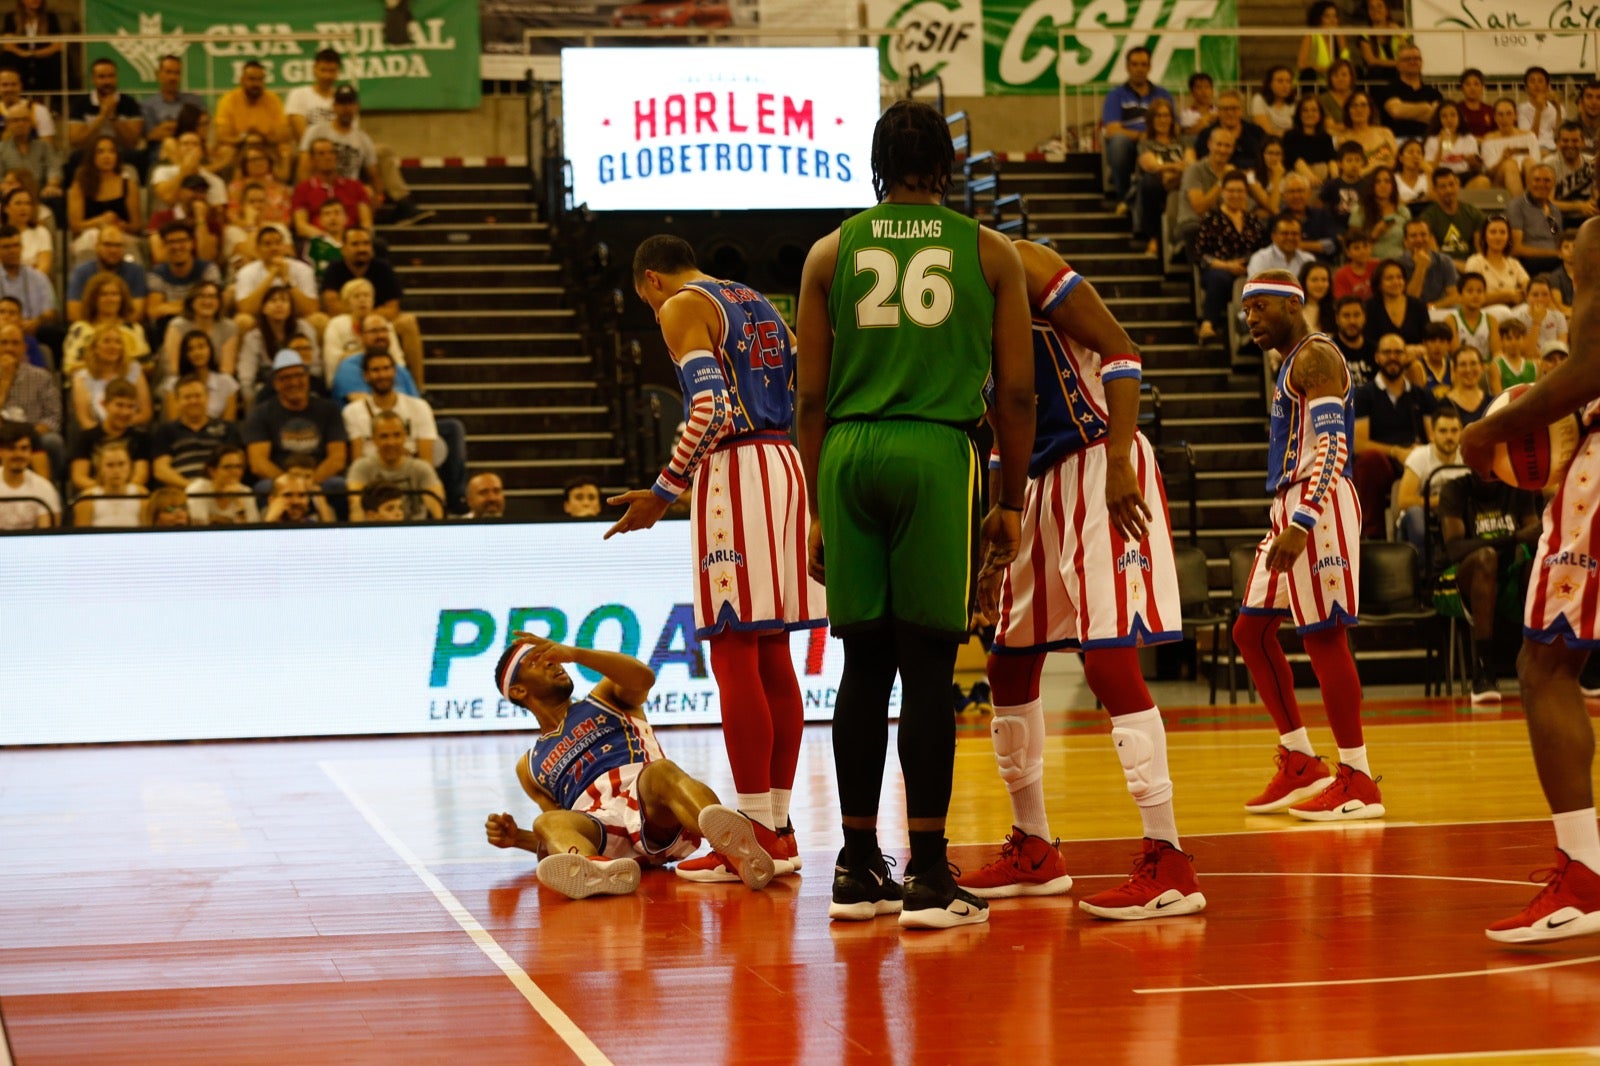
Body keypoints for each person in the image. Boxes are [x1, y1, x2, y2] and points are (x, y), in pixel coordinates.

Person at [794, 99, 1035, 928]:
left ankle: (858, 865)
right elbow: (1015, 391)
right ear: (946, 164)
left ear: (876, 163)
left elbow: (811, 395)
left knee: (864, 666)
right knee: (929, 668)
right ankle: (929, 872)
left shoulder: (830, 250)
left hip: (850, 454)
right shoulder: (990, 250)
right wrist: (1009, 499)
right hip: (938, 453)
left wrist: (818, 504)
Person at [954, 240, 1203, 917]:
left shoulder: (1021, 262)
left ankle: (1169, 858)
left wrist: (1121, 457)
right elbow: (1010, 421)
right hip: (1040, 484)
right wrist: (1002, 508)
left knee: (1109, 659)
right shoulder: (951, 298)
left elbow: (1122, 350)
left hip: (1101, 461)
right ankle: (1034, 847)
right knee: (1007, 664)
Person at [607, 233, 824, 886]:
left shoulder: (681, 305)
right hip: (786, 464)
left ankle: (754, 831)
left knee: (733, 650)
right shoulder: (757, 301)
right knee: (771, 652)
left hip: (736, 472)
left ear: (650, 280)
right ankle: (776, 828)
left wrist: (661, 492)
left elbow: (706, 407)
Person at [1233, 269, 1385, 821]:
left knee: (1324, 637)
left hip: (1315, 508)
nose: (1249, 318)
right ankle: (1300, 760)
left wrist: (1302, 520)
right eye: (1246, 309)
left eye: (1260, 307)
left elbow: (1334, 447)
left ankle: (1359, 776)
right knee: (1250, 630)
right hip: (1291, 506)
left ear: (1292, 306)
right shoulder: (1290, 361)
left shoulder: (1314, 356)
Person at [484, 632, 779, 899]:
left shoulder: (605, 697)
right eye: (538, 660)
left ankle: (733, 852)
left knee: (662, 771)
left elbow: (643, 677)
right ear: (520, 691)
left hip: (650, 806)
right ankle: (594, 871)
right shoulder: (530, 766)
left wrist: (575, 654)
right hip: (600, 828)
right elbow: (560, 830)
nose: (552, 661)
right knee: (546, 822)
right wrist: (519, 839)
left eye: (551, 654)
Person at [1439, 468, 1545, 704]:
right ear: (1470, 460)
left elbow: (1535, 537)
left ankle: (1542, 665)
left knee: (1539, 564)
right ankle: (1483, 670)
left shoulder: (1518, 489)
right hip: (1458, 579)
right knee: (1486, 557)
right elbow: (1454, 550)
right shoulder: (1454, 490)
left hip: (1504, 574)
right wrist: (1513, 538)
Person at [1353, 332, 1435, 537]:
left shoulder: (1422, 394)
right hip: (1385, 463)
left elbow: (1433, 436)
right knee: (1369, 461)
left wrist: (1421, 453)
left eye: (1398, 352)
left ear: (1406, 357)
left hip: (1419, 461)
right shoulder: (1363, 394)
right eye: (1387, 352)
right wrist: (1396, 451)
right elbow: (1358, 443)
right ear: (1377, 357)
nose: (1393, 357)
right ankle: (1372, 537)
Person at [319, 227, 423, 388]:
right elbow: (331, 306)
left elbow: (393, 309)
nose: (362, 249)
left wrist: (369, 320)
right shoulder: (334, 269)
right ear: (344, 248)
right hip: (345, 323)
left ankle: (418, 387)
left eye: (366, 244)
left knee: (407, 321)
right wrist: (359, 314)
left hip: (380, 323)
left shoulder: (382, 268)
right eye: (355, 244)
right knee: (319, 322)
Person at [241, 349, 347, 501]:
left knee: (337, 485)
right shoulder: (261, 413)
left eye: (299, 375)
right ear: (276, 383)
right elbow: (258, 463)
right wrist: (291, 487)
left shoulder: (329, 409)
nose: (294, 382)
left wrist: (310, 484)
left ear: (307, 378)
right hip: (280, 482)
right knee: (263, 487)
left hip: (319, 480)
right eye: (286, 378)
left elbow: (337, 459)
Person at [1194, 170, 1267, 346]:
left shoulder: (1252, 220)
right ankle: (1207, 325)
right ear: (1223, 192)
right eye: (1231, 191)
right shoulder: (1211, 219)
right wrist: (1227, 266)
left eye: (1240, 191)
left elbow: (1261, 249)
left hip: (1249, 270)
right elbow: (1201, 255)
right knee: (1220, 279)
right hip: (1219, 269)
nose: (1235, 195)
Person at [1099, 47, 1173, 211]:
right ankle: (1125, 198)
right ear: (1127, 67)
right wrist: (1141, 135)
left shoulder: (1163, 94)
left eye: (1143, 64)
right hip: (1131, 144)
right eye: (1135, 64)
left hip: (1159, 142)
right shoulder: (1115, 95)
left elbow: (1175, 124)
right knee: (1118, 143)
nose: (1139, 69)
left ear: (1149, 67)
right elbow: (1112, 130)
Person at [1394, 404, 1467, 551]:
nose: (1449, 437)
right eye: (1443, 431)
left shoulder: (1467, 456)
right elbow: (1403, 501)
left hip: (1455, 516)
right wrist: (1442, 500)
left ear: (1461, 433)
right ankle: (1423, 573)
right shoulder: (1419, 456)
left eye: (1454, 431)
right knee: (1415, 514)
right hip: (1423, 519)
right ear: (1432, 434)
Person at [347, 410, 442, 521]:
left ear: (405, 437)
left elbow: (438, 508)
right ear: (374, 440)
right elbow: (356, 508)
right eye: (384, 436)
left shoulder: (422, 468)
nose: (391, 442)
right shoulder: (361, 467)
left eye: (397, 435)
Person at [150, 374, 239, 489]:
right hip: (181, 493)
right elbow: (161, 470)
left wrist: (215, 488)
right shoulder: (166, 430)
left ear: (207, 398)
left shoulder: (227, 428)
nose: (193, 401)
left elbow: (236, 466)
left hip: (222, 490)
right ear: (177, 401)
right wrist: (193, 488)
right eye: (187, 397)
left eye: (198, 396)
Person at [68, 377, 148, 493]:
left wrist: (121, 491)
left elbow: (141, 475)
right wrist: (107, 491)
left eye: (130, 406)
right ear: (104, 404)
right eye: (119, 405)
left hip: (129, 495)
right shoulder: (86, 437)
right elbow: (79, 478)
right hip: (96, 495)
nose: (125, 412)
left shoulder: (140, 438)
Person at [67, 134, 141, 258]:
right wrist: (99, 221)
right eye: (100, 152)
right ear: (92, 157)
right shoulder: (79, 185)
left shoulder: (129, 185)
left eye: (111, 151)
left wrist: (123, 225)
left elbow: (137, 225)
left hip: (121, 237)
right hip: (91, 239)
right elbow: (75, 226)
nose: (107, 156)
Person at [1133, 98, 1190, 257]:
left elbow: (1191, 163)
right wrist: (1173, 167)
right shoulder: (1146, 142)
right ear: (1151, 120)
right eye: (1158, 116)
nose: (1163, 120)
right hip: (1157, 185)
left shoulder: (1183, 141)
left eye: (1166, 116)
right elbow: (1150, 165)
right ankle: (1154, 238)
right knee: (1149, 183)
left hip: (1180, 182)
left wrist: (1172, 173)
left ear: (1172, 119)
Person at [213, 61, 291, 175]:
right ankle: (232, 188)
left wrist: (260, 136)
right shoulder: (228, 100)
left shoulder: (273, 99)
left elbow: (283, 134)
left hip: (266, 144)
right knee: (225, 150)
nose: (256, 84)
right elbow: (223, 136)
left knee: (285, 150)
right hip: (239, 146)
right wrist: (245, 138)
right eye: (251, 79)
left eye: (260, 80)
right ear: (242, 80)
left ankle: (281, 187)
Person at [0, 320, 57, 476]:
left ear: (24, 348)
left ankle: (45, 494)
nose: (9, 348)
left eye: (15, 343)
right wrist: (5, 381)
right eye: (3, 343)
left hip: (34, 432)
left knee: (52, 442)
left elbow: (53, 417)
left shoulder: (41, 376)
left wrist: (30, 433)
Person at [68, 323, 150, 431]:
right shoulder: (81, 378)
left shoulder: (134, 369)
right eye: (107, 341)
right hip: (97, 435)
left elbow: (146, 414)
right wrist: (106, 432)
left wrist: (119, 428)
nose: (113, 346)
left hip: (131, 432)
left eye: (118, 342)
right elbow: (84, 420)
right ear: (95, 348)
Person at [292, 137, 373, 241]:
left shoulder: (355, 186)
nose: (328, 157)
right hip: (318, 241)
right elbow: (301, 226)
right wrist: (330, 240)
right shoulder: (303, 189)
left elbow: (366, 222)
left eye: (331, 153)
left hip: (352, 240)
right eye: (321, 154)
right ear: (312, 160)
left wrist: (352, 238)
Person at [329, 312, 418, 406]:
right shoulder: (349, 368)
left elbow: (415, 405)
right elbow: (362, 405)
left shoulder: (400, 370)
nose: (380, 336)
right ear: (360, 336)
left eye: (384, 330)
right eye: (374, 331)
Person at [1175, 126, 1236, 259]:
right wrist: (1222, 182)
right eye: (1219, 144)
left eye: (1228, 146)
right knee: (1196, 230)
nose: (1223, 150)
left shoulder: (1233, 173)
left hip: (1221, 225)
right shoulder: (1194, 170)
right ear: (1209, 144)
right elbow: (1199, 208)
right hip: (1194, 224)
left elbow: (1241, 207)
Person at [65, 224, 146, 324]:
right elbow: (73, 313)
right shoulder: (81, 272)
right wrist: (101, 331)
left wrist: (112, 329)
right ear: (97, 247)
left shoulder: (136, 271)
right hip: (90, 328)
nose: (113, 250)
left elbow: (137, 313)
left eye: (118, 245)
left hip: (123, 328)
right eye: (107, 244)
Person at [67, 58, 143, 164]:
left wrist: (112, 116)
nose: (107, 81)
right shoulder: (80, 104)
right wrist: (102, 116)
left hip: (120, 151)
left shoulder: (130, 103)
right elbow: (76, 142)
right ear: (93, 79)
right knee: (76, 157)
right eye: (101, 77)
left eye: (111, 76)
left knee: (136, 156)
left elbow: (132, 143)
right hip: (90, 152)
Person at [140, 54, 205, 171]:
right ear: (158, 74)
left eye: (177, 73)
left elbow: (202, 128)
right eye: (168, 72)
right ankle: (187, 173)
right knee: (169, 143)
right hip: (162, 156)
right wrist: (184, 126)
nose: (173, 77)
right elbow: (152, 135)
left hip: (193, 148)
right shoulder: (147, 105)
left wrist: (170, 127)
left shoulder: (194, 101)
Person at [1418, 168, 1486, 268]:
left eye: (1451, 185)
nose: (1449, 190)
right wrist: (1465, 267)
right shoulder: (1427, 218)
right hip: (1443, 269)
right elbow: (1435, 256)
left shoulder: (1473, 213)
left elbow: (1481, 250)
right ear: (1435, 190)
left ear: (1458, 185)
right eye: (1443, 187)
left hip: (1473, 267)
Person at [73, 437, 145, 528]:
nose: (116, 471)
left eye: (121, 464)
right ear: (99, 468)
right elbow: (82, 537)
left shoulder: (141, 495)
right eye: (110, 465)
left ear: (130, 466)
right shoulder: (87, 499)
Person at [1508, 165, 1565, 276]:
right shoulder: (1517, 206)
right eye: (1537, 180)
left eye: (1547, 180)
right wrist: (1554, 253)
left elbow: (1559, 241)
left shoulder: (1555, 210)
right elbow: (1516, 248)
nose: (1541, 184)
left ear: (1553, 184)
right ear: (1528, 183)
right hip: (1529, 262)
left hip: (1556, 259)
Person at [1378, 44, 1440, 141]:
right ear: (1398, 65)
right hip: (1396, 141)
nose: (1413, 62)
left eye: (1416, 58)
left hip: (1428, 141)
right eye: (1407, 59)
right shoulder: (1388, 89)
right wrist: (1426, 107)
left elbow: (1437, 117)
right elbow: (1396, 111)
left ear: (1422, 63)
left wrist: (1406, 112)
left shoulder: (1433, 92)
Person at [1479, 99, 1540, 198]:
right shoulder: (1489, 139)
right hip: (1499, 179)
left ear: (1515, 116)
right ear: (1494, 118)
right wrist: (1503, 159)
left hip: (1526, 176)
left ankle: (1534, 202)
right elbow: (1489, 173)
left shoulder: (1529, 136)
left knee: (1529, 162)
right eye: (1500, 114)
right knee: (1510, 164)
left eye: (1509, 114)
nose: (1504, 119)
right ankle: (1520, 206)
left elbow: (1536, 163)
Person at [0, 419, 55, 528]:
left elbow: (47, 536)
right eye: (11, 448)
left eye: (24, 448)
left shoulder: (44, 487)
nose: (18, 454)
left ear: (31, 451)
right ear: (1, 451)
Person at [1465, 216, 1530, 308]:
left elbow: (1528, 287)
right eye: (1493, 232)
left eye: (1502, 232)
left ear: (1508, 237)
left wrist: (1525, 292)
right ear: (1484, 236)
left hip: (1513, 311)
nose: (1498, 237)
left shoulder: (1513, 263)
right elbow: (1472, 297)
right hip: (1485, 311)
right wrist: (1506, 295)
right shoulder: (1475, 262)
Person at [0, 103, 58, 205]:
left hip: (40, 194)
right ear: (8, 124)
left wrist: (51, 184)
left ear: (31, 123)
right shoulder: (1, 148)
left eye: (24, 120)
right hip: (11, 195)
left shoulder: (43, 146)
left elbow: (53, 168)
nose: (20, 124)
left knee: (55, 197)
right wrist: (8, 187)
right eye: (15, 120)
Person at [1364, 258, 1431, 347]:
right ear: (1379, 284)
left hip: (1415, 356)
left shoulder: (1418, 305)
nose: (1396, 282)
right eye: (1389, 278)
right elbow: (1368, 341)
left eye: (1399, 277)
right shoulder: (1369, 307)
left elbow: (1428, 338)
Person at [186, 443, 258, 525]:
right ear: (213, 471)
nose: (235, 472)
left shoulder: (246, 492)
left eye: (238, 466)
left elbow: (251, 530)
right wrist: (231, 521)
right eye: (227, 467)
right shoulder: (198, 490)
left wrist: (239, 502)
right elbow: (199, 526)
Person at [1349, 167, 1409, 260]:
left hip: (1400, 263)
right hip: (1370, 262)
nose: (1383, 185)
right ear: (1371, 185)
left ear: (1393, 186)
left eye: (1387, 181)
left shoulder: (1402, 211)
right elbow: (1353, 245)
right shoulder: (1360, 210)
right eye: (1378, 182)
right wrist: (1374, 235)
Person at [1195, 91, 1266, 169]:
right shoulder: (1206, 134)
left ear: (1241, 109)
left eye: (1234, 108)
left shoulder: (1256, 132)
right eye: (1225, 109)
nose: (1230, 113)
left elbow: (1264, 159)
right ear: (1218, 111)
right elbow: (1203, 161)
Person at [1398, 218, 1459, 309]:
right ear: (1405, 241)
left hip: (1439, 311)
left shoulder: (1444, 261)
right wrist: (1421, 267)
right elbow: (1410, 300)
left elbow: (1454, 296)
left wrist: (1431, 307)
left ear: (1430, 238)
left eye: (1423, 235)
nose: (1419, 240)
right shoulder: (1398, 264)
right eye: (1413, 236)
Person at [1548, 122, 1596, 228]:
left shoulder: (1593, 162)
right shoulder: (1548, 166)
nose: (1570, 145)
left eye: (1575, 141)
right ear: (1557, 142)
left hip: (1589, 218)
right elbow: (1547, 203)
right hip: (1559, 219)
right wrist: (1579, 206)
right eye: (1565, 141)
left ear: (1583, 142)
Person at [1282, 96, 1337, 187]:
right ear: (1299, 114)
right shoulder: (1290, 136)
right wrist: (1311, 177)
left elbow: (1332, 160)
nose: (1309, 114)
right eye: (1305, 110)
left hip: (1324, 180)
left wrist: (1336, 179)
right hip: (1298, 179)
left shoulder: (1327, 137)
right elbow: (1295, 160)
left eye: (1314, 110)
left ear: (1320, 114)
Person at [1247, 212, 1316, 280]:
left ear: (1301, 236)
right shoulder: (1261, 259)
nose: (1290, 238)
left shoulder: (1308, 260)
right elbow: (1255, 289)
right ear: (1273, 236)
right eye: (1285, 233)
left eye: (1295, 234)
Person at [1424, 102, 1482, 183]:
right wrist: (1440, 146)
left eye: (1453, 115)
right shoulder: (1432, 140)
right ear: (1439, 120)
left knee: (1483, 181)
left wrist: (1473, 162)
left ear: (1459, 118)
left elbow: (1476, 169)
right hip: (1441, 177)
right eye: (1444, 116)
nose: (1449, 120)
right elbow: (1430, 168)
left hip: (1464, 175)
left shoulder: (1469, 139)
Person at [1341, 92, 1396, 175]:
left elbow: (1397, 161)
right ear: (1348, 111)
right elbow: (1349, 173)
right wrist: (1375, 166)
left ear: (1370, 110)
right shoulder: (1344, 139)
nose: (1359, 110)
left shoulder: (1385, 132)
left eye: (1363, 105)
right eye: (1354, 106)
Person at [1297, 1, 1350, 86]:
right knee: (1308, 74)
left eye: (1335, 16)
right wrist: (1326, 70)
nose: (1333, 20)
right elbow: (1301, 64)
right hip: (1317, 81)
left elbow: (1346, 62)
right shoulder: (1311, 36)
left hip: (1336, 81)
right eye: (1327, 16)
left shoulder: (1339, 36)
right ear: (1318, 19)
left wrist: (1340, 39)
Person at [1320, 141, 1368, 232]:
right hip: (1336, 228)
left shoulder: (1367, 185)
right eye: (1349, 160)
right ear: (1340, 164)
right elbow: (1321, 207)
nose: (1354, 164)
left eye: (1357, 160)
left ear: (1362, 162)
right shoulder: (1332, 185)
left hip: (1360, 228)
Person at [1355, 0, 1408, 81]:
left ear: (1387, 10)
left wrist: (1400, 35)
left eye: (1379, 6)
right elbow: (1371, 61)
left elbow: (1407, 55)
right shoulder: (1364, 35)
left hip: (1399, 76)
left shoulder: (1399, 32)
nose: (1375, 10)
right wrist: (1397, 63)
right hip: (1377, 78)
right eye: (1371, 7)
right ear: (1368, 12)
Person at [1519, 66, 1565, 155]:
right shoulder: (1520, 110)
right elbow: (1531, 139)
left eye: (1540, 81)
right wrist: (1538, 110)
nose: (1536, 85)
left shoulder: (1559, 108)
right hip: (1535, 149)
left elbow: (1560, 136)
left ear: (1548, 86)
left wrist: (1558, 110)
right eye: (1532, 81)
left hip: (1557, 148)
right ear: (1526, 87)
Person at [1406, 319, 1456, 400]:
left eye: (1442, 341)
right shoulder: (1417, 367)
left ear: (1448, 345)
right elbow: (1419, 401)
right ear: (1424, 343)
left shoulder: (1453, 365)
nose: (1437, 346)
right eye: (1432, 341)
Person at [1489, 314, 1539, 394]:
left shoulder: (1533, 366)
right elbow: (1497, 397)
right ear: (1501, 341)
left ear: (1524, 339)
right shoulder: (1496, 366)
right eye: (1509, 338)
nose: (1514, 343)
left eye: (1517, 338)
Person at [1443, 345, 1492, 424]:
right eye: (1463, 364)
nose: (1468, 370)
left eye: (1473, 363)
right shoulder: (1445, 404)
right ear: (1454, 370)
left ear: (1482, 367)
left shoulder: (1492, 402)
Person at [263, 469, 333, 524]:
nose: (296, 501)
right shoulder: (258, 527)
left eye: (301, 495)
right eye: (288, 495)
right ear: (272, 500)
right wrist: (269, 522)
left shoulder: (313, 528)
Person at [1524, 277, 1569, 350]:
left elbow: (1562, 347)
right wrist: (1536, 322)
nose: (1540, 299)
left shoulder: (1559, 316)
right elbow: (1527, 352)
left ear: (1550, 296)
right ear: (1527, 296)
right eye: (1535, 295)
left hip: (1554, 357)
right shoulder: (1518, 318)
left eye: (1545, 294)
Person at [1332, 230, 1378, 301]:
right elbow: (1341, 301)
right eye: (1356, 248)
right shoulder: (1341, 274)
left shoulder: (1378, 266)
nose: (1362, 251)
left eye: (1365, 246)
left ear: (1371, 248)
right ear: (1348, 252)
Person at [1251, 66, 1296, 136]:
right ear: (1269, 84)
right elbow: (1266, 131)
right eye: (1280, 81)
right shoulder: (1259, 99)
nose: (1285, 85)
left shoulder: (1295, 103)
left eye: (1288, 81)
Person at [1318, 58, 1357, 133]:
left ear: (1351, 77)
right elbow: (1330, 127)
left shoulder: (1359, 98)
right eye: (1335, 75)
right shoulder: (1323, 99)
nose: (1340, 79)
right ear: (1330, 78)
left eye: (1344, 75)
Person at [1458, 69, 1495, 138]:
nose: (1472, 88)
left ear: (1482, 87)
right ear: (1462, 88)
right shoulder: (1456, 110)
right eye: (1468, 84)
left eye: (1476, 84)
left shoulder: (1490, 110)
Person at [1178, 71, 1217, 136]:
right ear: (1191, 92)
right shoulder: (1186, 114)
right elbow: (1188, 133)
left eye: (1207, 87)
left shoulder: (1219, 111)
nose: (1203, 91)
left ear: (1212, 91)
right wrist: (1207, 119)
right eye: (1199, 87)